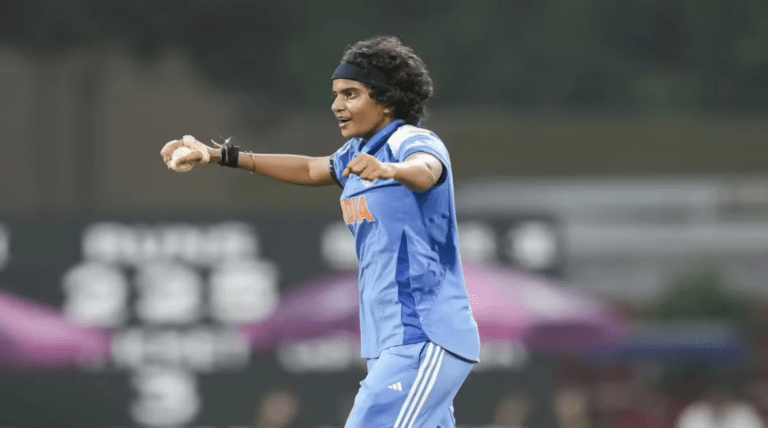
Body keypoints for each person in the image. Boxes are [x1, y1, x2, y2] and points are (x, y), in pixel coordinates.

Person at [160, 35, 480, 427]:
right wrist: (221, 155)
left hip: (423, 336)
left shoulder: (409, 140)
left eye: (351, 94)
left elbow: (427, 171)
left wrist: (392, 170)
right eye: (335, 95)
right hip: (389, 342)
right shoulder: (357, 152)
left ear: (386, 100)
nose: (337, 106)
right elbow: (314, 169)